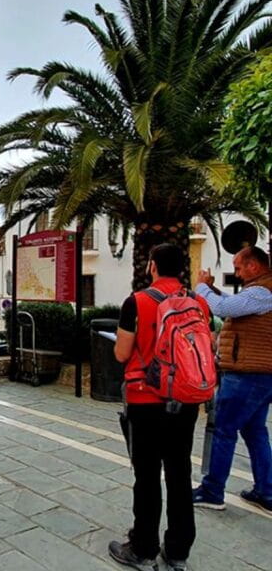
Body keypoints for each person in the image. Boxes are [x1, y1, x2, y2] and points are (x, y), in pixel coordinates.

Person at [109, 244, 211, 571]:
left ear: (152, 266)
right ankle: (177, 551)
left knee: (148, 476)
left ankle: (143, 548)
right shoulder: (198, 303)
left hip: (145, 400)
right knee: (180, 474)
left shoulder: (136, 302)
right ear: (183, 268)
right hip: (185, 400)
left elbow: (122, 354)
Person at [191, 246, 272, 513]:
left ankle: (212, 491)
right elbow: (230, 304)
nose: (236, 272)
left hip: (247, 376)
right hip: (258, 375)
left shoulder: (262, 292)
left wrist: (202, 288)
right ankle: (266, 491)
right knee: (255, 432)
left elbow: (224, 307)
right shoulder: (258, 292)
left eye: (238, 267)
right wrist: (212, 291)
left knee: (224, 430)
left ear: (254, 266)